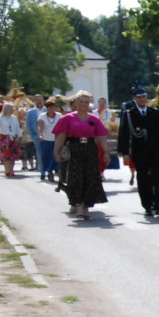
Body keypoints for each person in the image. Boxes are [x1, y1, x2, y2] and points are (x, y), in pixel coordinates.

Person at [52, 90, 110, 220]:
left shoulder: (94, 119)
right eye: (81, 102)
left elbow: (102, 137)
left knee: (90, 178)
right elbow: (61, 136)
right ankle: (78, 206)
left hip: (90, 150)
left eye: (86, 102)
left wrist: (106, 153)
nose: (84, 104)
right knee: (76, 178)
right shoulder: (66, 119)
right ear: (75, 103)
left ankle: (86, 206)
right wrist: (56, 151)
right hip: (74, 149)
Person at [118, 84, 159, 216]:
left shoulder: (154, 112)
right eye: (139, 97)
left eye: (144, 96)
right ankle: (147, 205)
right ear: (134, 98)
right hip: (140, 151)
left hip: (155, 151)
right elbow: (124, 134)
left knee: (158, 178)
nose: (142, 99)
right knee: (143, 178)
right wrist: (125, 153)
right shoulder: (130, 114)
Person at [0, 103, 22, 177]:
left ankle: (11, 170)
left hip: (13, 138)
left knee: (13, 155)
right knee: (6, 155)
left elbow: (17, 127)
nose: (13, 110)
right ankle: (8, 170)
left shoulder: (14, 118)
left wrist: (20, 136)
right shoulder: (0, 118)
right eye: (11, 108)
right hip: (4, 138)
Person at [37, 99, 61, 182]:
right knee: (47, 156)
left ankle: (57, 170)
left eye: (53, 107)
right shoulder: (42, 116)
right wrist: (40, 134)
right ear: (46, 108)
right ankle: (49, 172)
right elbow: (40, 127)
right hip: (46, 140)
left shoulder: (59, 116)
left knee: (56, 156)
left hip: (57, 140)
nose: (51, 109)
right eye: (49, 107)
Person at [25, 94, 44, 172]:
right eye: (37, 100)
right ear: (34, 101)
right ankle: (42, 169)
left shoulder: (47, 110)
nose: (39, 101)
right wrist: (33, 135)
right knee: (39, 153)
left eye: (40, 100)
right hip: (36, 136)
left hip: (48, 136)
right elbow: (28, 124)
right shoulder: (30, 112)